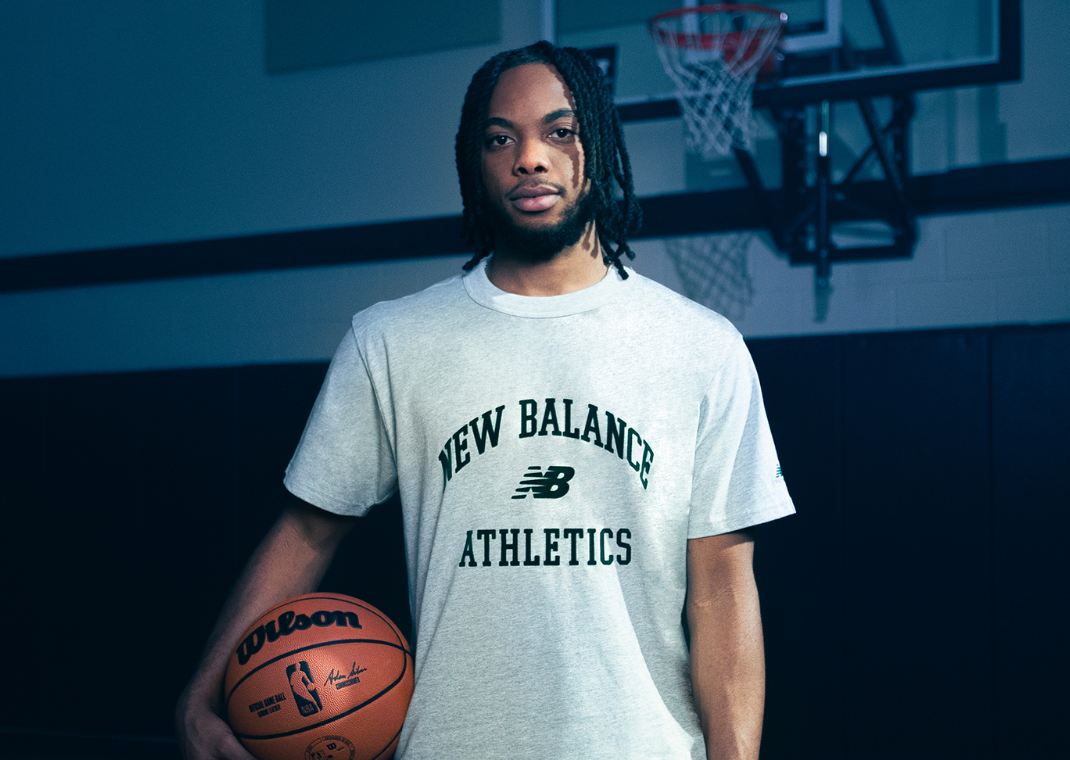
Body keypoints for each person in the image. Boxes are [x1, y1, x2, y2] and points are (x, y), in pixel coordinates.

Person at [176, 41, 794, 760]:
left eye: (559, 132)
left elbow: (721, 585)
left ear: (599, 142)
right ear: (475, 161)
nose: (529, 157)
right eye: (501, 138)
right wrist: (199, 697)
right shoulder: (393, 342)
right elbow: (306, 533)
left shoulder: (701, 347)